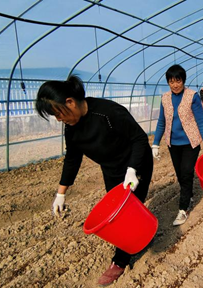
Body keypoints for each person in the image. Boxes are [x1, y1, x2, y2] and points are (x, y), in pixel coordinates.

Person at [35, 75, 153, 286]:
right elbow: (72, 158)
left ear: (70, 102)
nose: (59, 120)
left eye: (58, 114)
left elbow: (139, 139)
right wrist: (61, 193)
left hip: (136, 165)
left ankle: (120, 260)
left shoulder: (108, 112)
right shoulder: (72, 127)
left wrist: (132, 170)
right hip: (111, 170)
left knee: (125, 213)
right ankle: (142, 235)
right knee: (118, 214)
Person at [152, 65, 203, 226]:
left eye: (178, 81)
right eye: (171, 81)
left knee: (187, 172)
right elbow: (162, 122)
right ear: (168, 82)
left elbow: (201, 121)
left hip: (191, 142)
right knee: (180, 174)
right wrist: (155, 143)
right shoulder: (165, 98)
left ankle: (183, 209)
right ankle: (187, 194)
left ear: (183, 80)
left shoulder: (192, 96)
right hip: (172, 143)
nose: (175, 85)